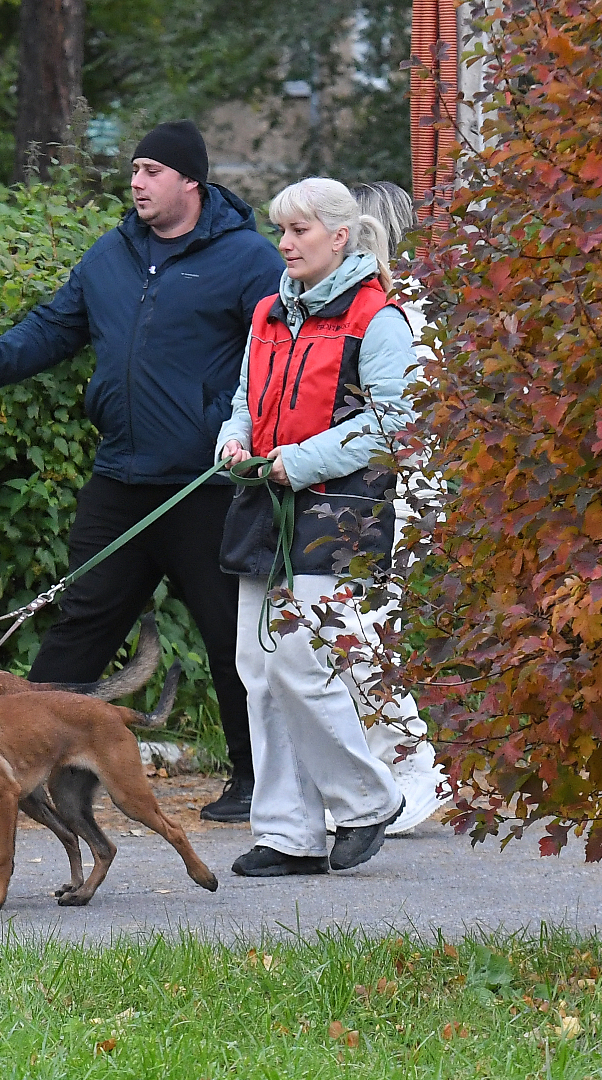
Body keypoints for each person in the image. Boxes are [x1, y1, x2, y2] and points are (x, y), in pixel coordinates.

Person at [0, 120, 285, 823]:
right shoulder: (112, 255)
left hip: (204, 487)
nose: (136, 182)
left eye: (151, 170)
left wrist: (243, 437)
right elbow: (51, 329)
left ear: (191, 182)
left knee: (231, 638)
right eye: (134, 170)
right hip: (121, 482)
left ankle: (253, 780)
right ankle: (20, 770)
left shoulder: (247, 259)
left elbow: (276, 359)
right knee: (77, 630)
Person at [217, 177, 413, 876]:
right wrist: (233, 444)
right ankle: (288, 835)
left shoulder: (378, 318)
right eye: (282, 229)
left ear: (340, 237)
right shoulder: (269, 312)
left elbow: (395, 422)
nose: (286, 242)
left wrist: (299, 461)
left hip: (341, 511)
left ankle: (368, 800)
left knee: (300, 662)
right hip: (263, 502)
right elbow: (244, 398)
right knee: (258, 671)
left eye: (300, 230)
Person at [343, 179, 450, 836]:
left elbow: (413, 421)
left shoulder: (401, 313)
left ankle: (415, 762)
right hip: (359, 490)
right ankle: (380, 768)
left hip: (393, 494)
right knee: (338, 635)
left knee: (358, 634)